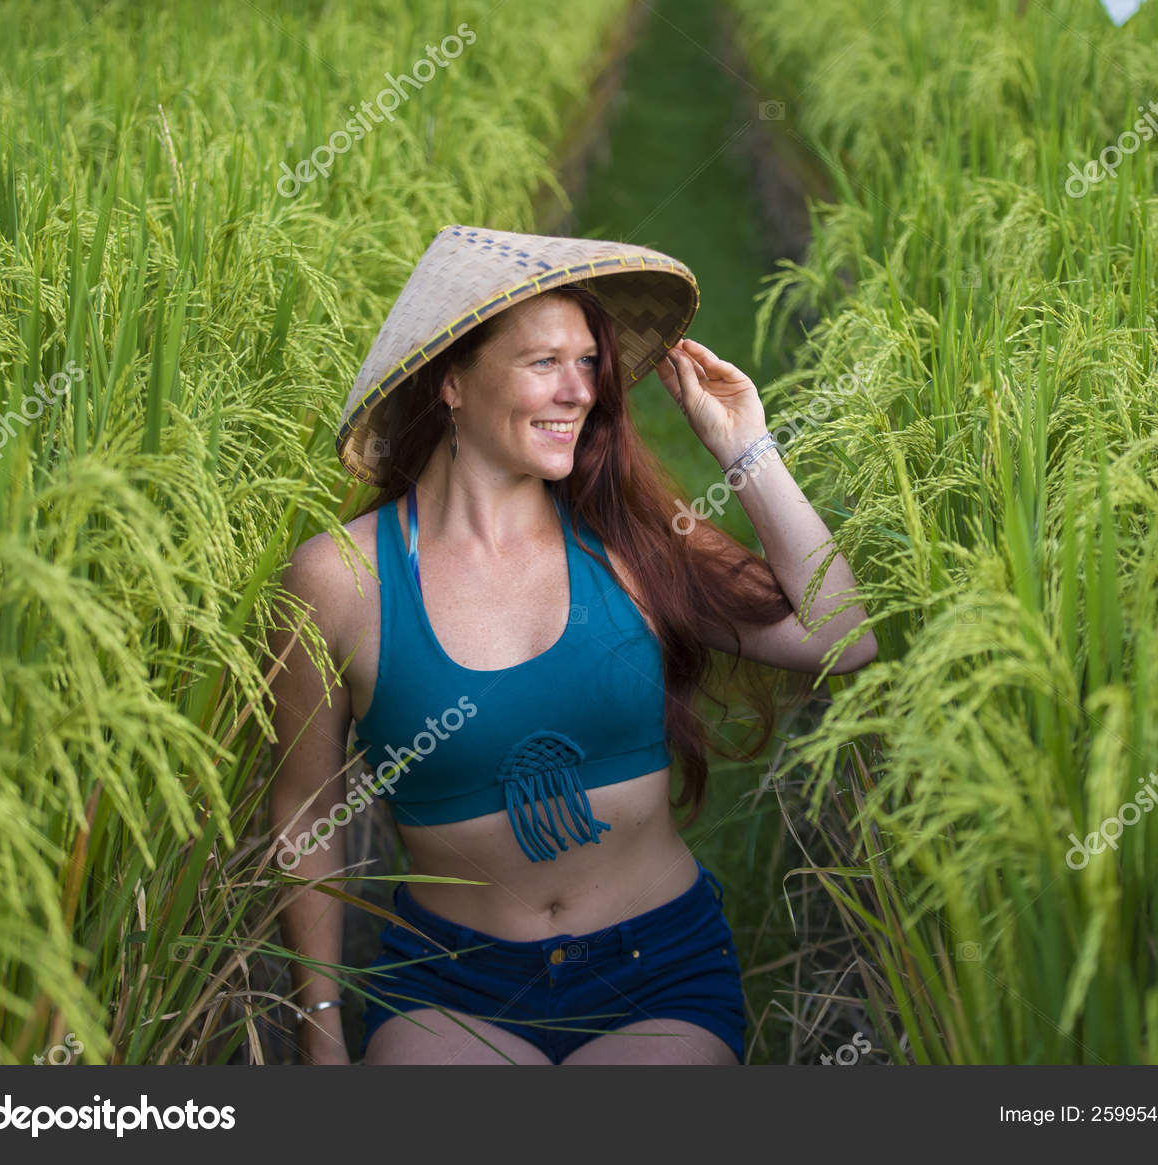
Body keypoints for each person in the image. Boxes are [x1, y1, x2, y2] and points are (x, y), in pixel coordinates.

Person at [266, 224, 877, 1065]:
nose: (579, 390)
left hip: (657, 972)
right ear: (451, 380)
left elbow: (841, 636)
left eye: (588, 361)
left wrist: (747, 450)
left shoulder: (630, 540)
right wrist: (322, 1035)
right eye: (543, 362)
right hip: (452, 986)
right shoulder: (339, 580)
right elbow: (305, 813)